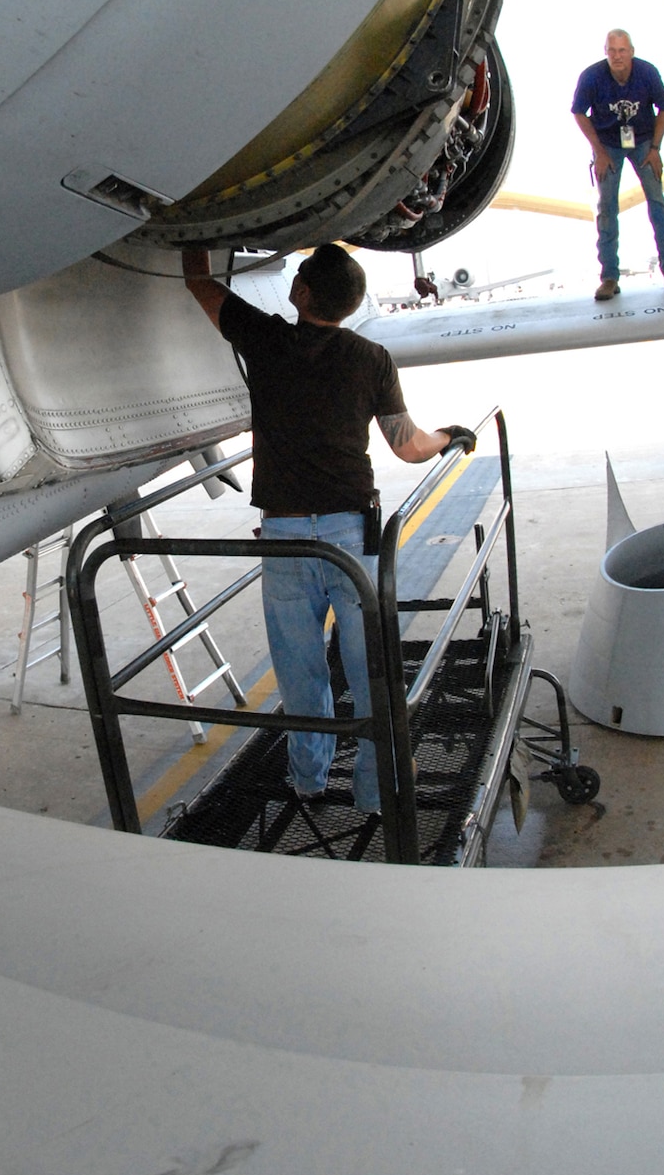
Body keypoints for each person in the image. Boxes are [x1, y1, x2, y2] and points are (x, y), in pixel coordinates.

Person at [182, 242, 474, 814]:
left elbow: (199, 282)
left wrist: (199, 231)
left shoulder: (263, 338)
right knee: (373, 673)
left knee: (300, 674)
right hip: (350, 540)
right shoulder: (372, 358)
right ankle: (376, 792)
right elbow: (409, 445)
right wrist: (450, 436)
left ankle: (309, 783)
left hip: (287, 539)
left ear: (300, 293)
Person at [571, 28, 664, 301]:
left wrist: (656, 149)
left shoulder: (646, 73)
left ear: (631, 52)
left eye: (622, 51)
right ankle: (609, 278)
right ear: (606, 53)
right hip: (609, 143)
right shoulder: (592, 77)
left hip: (644, 140)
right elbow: (578, 112)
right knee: (607, 208)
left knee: (657, 202)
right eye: (612, 51)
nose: (617, 56)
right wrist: (598, 151)